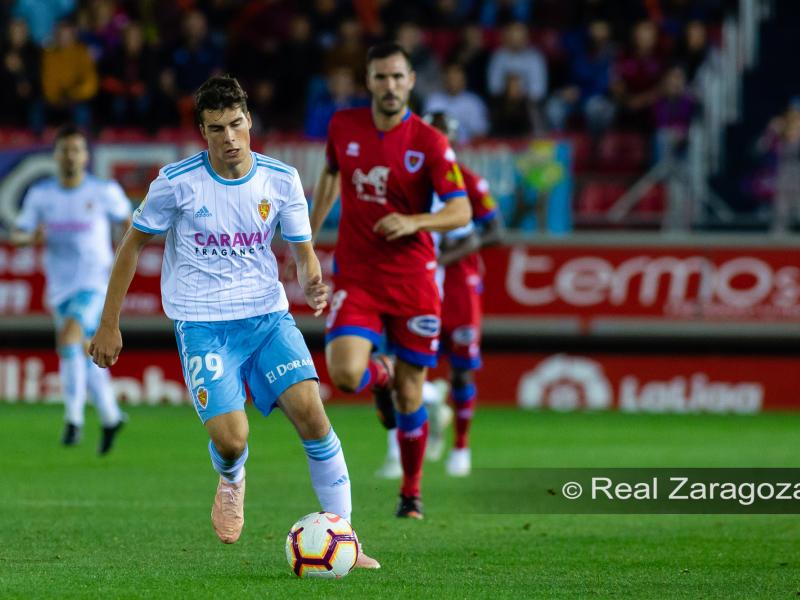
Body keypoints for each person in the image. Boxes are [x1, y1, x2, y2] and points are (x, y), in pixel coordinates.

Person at [88, 75, 379, 568]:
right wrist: (109, 322)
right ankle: (231, 476)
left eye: (236, 124)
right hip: (203, 324)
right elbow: (131, 244)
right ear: (202, 131)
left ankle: (347, 537)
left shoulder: (280, 179)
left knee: (312, 413)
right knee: (231, 437)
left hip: (267, 318)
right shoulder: (176, 183)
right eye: (216, 128)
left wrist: (311, 279)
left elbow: (303, 251)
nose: (228, 137)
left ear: (250, 121)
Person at [309, 43, 472, 519]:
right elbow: (331, 177)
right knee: (342, 374)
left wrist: (415, 221)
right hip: (358, 276)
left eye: (398, 77)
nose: (390, 86)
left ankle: (411, 492)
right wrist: (309, 238)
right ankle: (377, 375)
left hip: (414, 283)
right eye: (381, 77)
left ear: (411, 81)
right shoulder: (344, 126)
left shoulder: (430, 142)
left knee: (411, 393)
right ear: (369, 81)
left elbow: (461, 210)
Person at [376, 112, 505, 479]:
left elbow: (496, 230)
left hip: (458, 288)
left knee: (462, 371)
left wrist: (444, 255)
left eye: (443, 136)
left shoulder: (467, 182)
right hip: (414, 285)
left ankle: (461, 447)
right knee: (403, 366)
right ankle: (410, 437)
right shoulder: (404, 181)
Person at [11, 124, 130, 454]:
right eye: (64, 150)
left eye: (76, 150)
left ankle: (73, 420)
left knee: (69, 336)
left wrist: (123, 254)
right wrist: (29, 238)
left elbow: (130, 224)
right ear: (56, 156)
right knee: (82, 348)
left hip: (95, 282)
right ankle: (110, 415)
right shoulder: (41, 195)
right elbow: (18, 234)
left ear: (86, 156)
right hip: (60, 288)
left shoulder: (103, 191)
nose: (70, 156)